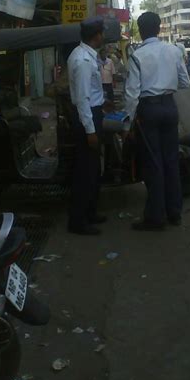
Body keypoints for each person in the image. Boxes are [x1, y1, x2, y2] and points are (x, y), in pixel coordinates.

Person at [124, 12, 190, 231]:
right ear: (160, 29)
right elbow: (185, 81)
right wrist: (165, 84)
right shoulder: (174, 51)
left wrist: (128, 123)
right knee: (171, 161)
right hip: (170, 108)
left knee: (153, 163)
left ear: (140, 32)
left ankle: (155, 217)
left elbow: (132, 93)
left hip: (148, 110)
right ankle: (175, 213)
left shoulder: (137, 55)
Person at [67, 16, 107, 235]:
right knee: (86, 171)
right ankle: (78, 221)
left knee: (93, 169)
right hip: (87, 117)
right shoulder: (83, 60)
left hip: (92, 113)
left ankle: (90, 213)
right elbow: (83, 98)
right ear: (96, 36)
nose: (103, 36)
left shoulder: (85, 55)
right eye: (101, 33)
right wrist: (90, 131)